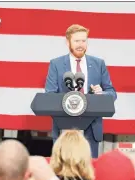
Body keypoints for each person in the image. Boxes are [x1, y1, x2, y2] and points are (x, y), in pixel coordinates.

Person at [44, 24, 117, 158]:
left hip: (91, 130)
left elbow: (112, 93)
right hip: (63, 130)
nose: (81, 45)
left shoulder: (98, 64)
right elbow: (49, 96)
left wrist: (102, 94)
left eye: (84, 41)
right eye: (77, 41)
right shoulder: (56, 64)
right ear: (68, 42)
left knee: (89, 172)